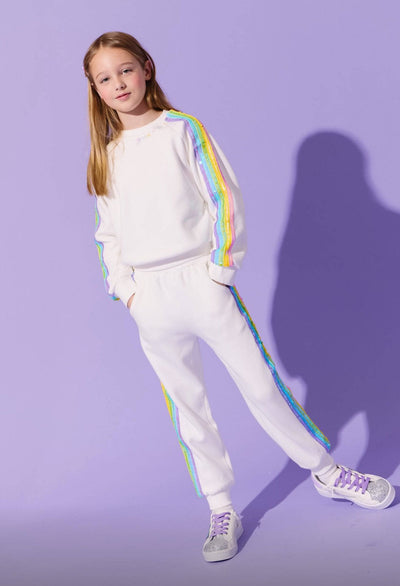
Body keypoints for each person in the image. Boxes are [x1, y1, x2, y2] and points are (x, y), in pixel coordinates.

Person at [82, 31, 395, 563]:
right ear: (95, 89)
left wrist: (220, 270)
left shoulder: (183, 130)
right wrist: (126, 290)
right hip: (150, 299)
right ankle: (221, 507)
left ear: (147, 68)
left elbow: (222, 196)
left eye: (125, 70)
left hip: (200, 281)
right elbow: (106, 232)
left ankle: (326, 471)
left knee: (262, 387)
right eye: (105, 78)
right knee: (188, 407)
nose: (118, 83)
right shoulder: (106, 154)